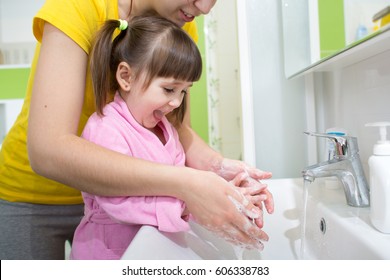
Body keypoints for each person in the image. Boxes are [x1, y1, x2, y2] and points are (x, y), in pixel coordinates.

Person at [0, 0, 274, 260]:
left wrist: (220, 168)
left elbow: (176, 128)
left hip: (127, 201)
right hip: (32, 198)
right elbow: (48, 150)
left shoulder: (180, 21)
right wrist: (187, 185)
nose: (204, 8)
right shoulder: (79, 6)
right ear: (125, 76)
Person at [70, 16, 270, 259]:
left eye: (184, 92)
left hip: (153, 252)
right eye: (169, 89)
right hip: (108, 254)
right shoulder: (106, 129)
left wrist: (230, 197)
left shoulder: (167, 131)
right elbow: (118, 202)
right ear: (126, 77)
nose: (176, 102)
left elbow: (179, 194)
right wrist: (190, 202)